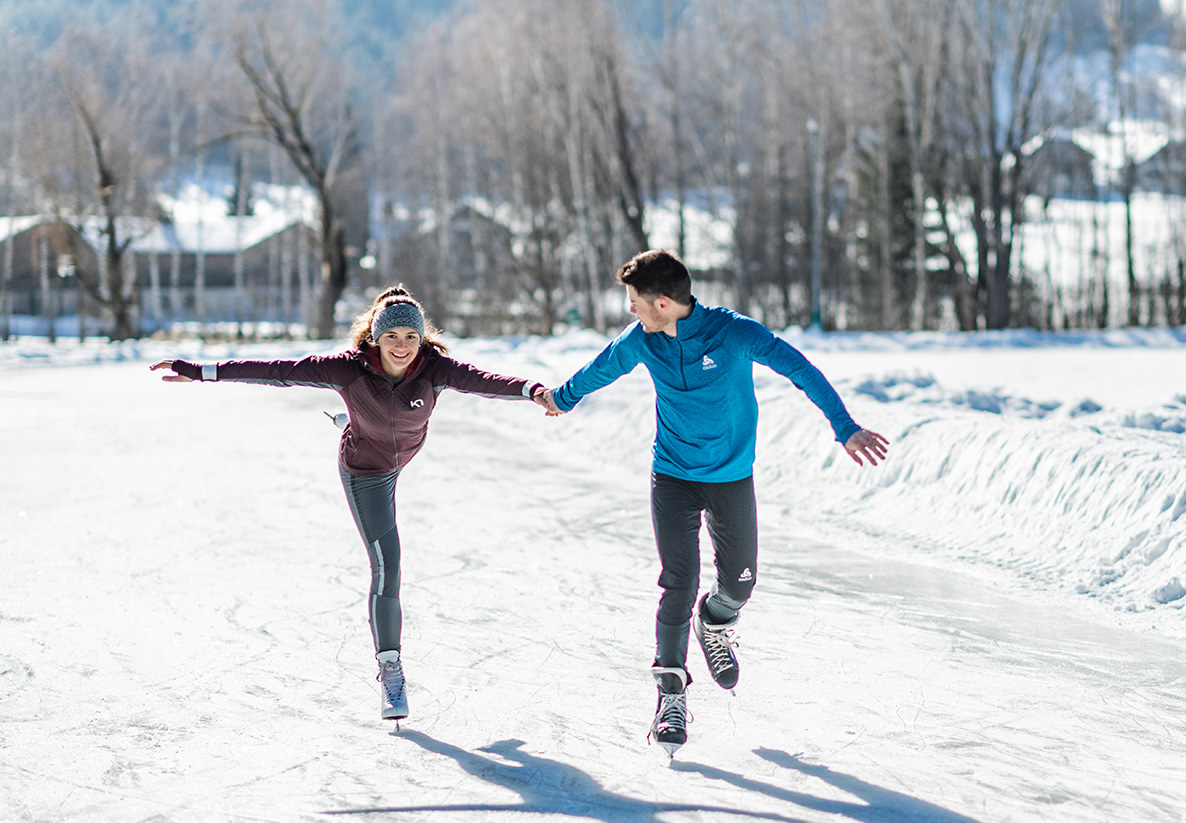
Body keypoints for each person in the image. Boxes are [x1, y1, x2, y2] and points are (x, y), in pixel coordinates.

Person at [534, 249, 889, 756]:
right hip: (672, 476)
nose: (630, 310)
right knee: (678, 582)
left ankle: (716, 621)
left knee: (741, 581)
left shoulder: (735, 332)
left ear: (661, 303)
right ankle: (670, 695)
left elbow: (801, 370)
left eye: (635, 301)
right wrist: (560, 398)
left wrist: (846, 428)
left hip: (730, 478)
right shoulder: (642, 341)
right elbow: (599, 370)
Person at [150, 285, 546, 724]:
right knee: (387, 564)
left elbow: (486, 381)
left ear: (422, 340)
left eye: (411, 338)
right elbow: (277, 370)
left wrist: (532, 389)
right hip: (366, 471)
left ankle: (350, 420)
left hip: (403, 451)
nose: (402, 346)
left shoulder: (435, 369)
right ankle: (391, 667)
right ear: (375, 338)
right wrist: (203, 371)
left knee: (375, 427)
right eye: (391, 336)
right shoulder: (348, 370)